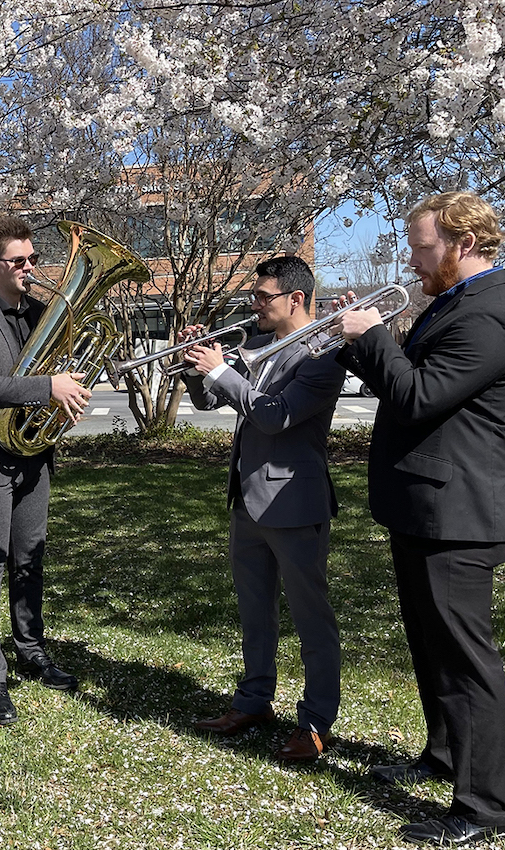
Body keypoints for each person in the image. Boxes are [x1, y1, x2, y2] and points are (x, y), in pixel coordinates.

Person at [336, 191, 505, 846]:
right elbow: (407, 378)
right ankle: (445, 753)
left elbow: (418, 396)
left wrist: (374, 339)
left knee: (466, 662)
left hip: (458, 515)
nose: (412, 260)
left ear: (463, 244)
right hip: (422, 506)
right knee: (430, 646)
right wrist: (363, 342)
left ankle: (483, 806)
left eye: (422, 247)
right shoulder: (452, 305)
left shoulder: (490, 316)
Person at [180, 256, 347, 762]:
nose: (254, 304)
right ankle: (253, 701)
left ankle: (315, 722)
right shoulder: (256, 347)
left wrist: (223, 373)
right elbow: (212, 403)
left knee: (311, 618)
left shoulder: (324, 356)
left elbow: (276, 417)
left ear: (295, 299)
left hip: (294, 503)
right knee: (256, 613)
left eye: (262, 297)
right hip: (247, 501)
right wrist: (196, 369)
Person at [0, 214, 92, 725]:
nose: (32, 267)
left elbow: (62, 366)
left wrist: (67, 394)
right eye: (20, 261)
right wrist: (47, 388)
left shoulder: (41, 312)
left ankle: (31, 650)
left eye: (34, 258)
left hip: (33, 455)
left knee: (29, 559)